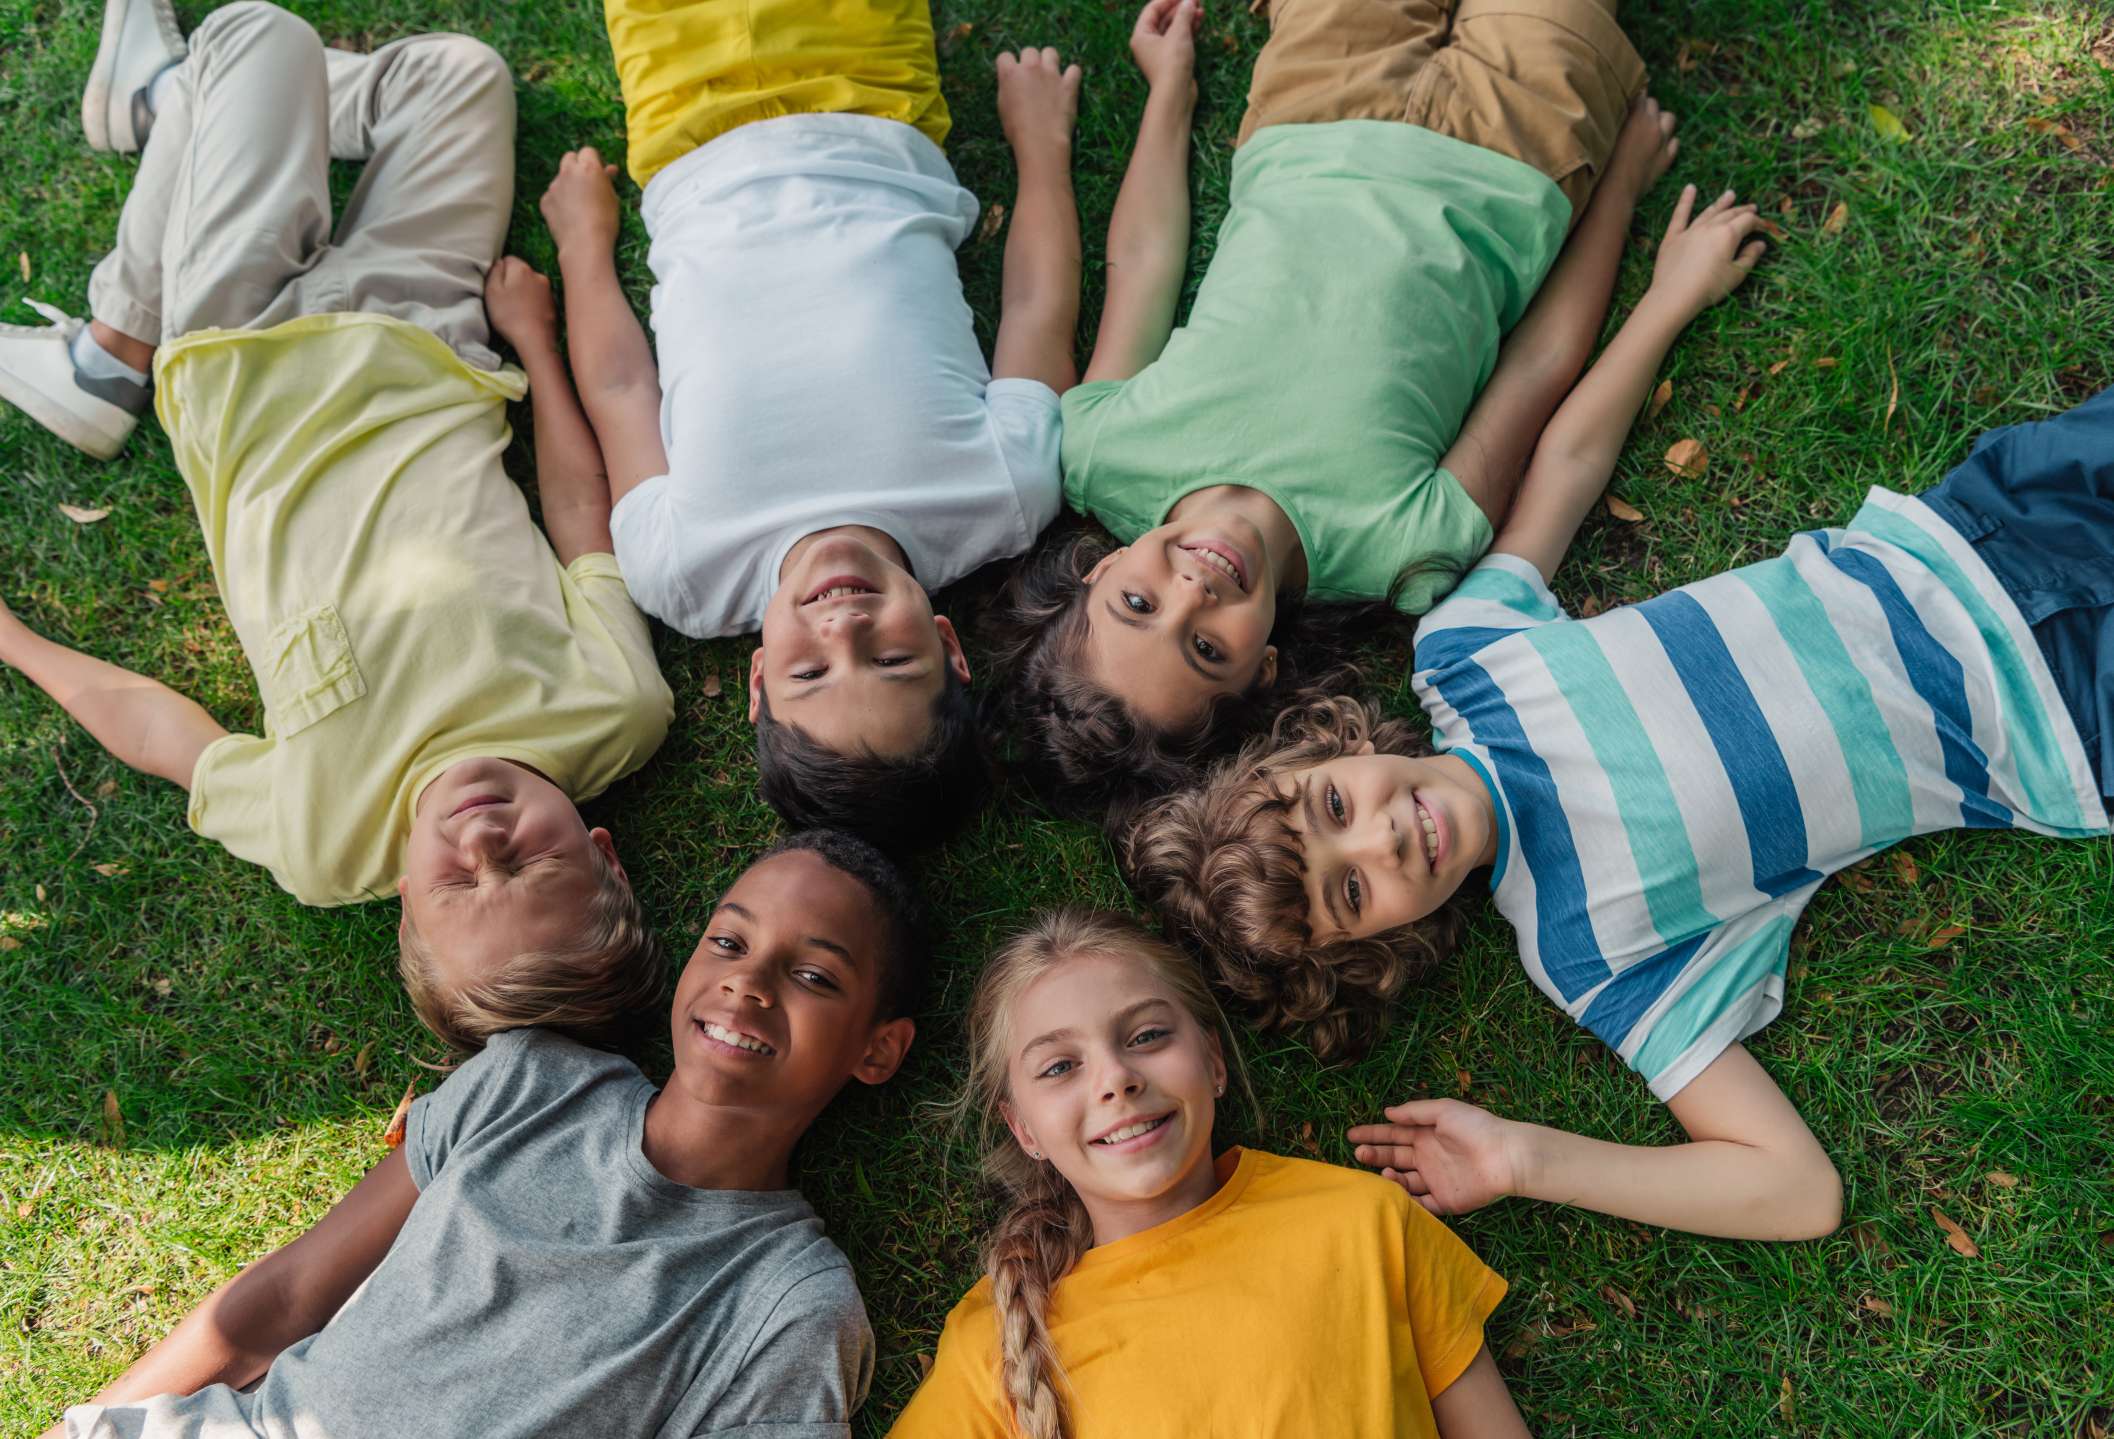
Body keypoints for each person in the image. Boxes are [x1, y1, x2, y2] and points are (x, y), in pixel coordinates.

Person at [1134, 177, 2114, 1241]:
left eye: (1330, 808)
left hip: (1972, 528)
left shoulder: (1463, 661)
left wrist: (1668, 298)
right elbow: (1792, 1188)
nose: (1382, 835)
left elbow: (1564, 465)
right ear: (1370, 948)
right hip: (2053, 715)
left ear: (1323, 745)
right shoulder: (1587, 950)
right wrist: (1523, 1156)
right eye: (1353, 889)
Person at [0, 0, 673, 1049]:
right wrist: (533, 345)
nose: (483, 836)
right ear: (603, 852)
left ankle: (117, 338)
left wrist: (11, 638)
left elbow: (161, 734)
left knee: (258, 35)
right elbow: (582, 517)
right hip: (431, 338)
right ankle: (184, 111)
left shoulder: (323, 840)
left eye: (459, 882)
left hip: (238, 355)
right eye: (530, 863)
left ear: (402, 900)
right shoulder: (617, 712)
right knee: (457, 77)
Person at [987, 0, 1675, 815]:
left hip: (1312, 102)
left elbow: (1144, 257)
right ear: (1264, 671)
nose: (1192, 593)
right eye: (1206, 650)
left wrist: (1169, 85)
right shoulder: (1402, 552)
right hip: (1516, 154)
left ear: (1097, 569)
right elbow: (1541, 363)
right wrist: (1621, 190)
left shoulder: (1107, 449)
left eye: (1136, 605)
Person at [43, 829, 932, 1439]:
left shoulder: (787, 1304)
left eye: (814, 973)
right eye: (729, 942)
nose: (749, 983)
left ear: (878, 1049)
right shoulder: (529, 1080)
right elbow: (277, 1302)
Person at [536, 0, 1085, 853]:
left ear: (759, 681)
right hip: (868, 96)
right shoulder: (1001, 494)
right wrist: (1040, 148)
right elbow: (1036, 305)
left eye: (810, 673)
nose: (844, 631)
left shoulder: (682, 571)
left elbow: (620, 386)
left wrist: (583, 248)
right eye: (892, 662)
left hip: (688, 133)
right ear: (951, 648)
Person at [889, 909, 1525, 1439]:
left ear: (1214, 1061)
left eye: (1146, 1035)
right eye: (1059, 1067)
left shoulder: (1364, 1219)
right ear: (1023, 1128)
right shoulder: (993, 1344)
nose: (1117, 1079)